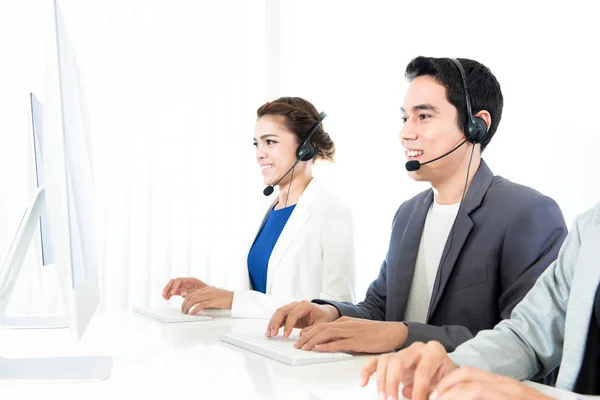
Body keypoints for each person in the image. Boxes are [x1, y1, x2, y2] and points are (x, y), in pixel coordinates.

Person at [266, 57, 567, 358]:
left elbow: (526, 343)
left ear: (477, 127)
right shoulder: (409, 214)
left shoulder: (527, 213)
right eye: (404, 118)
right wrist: (331, 312)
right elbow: (380, 308)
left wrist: (403, 334)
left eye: (423, 116)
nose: (405, 133)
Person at [361, 202, 600, 399]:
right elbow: (529, 336)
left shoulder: (529, 210)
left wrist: (406, 333)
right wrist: (453, 364)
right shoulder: (590, 226)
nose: (405, 140)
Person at [162, 97, 355, 318]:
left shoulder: (332, 212)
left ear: (305, 148)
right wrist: (212, 296)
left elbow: (338, 309)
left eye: (270, 142)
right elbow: (261, 296)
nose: (259, 153)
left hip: (298, 349)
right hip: (255, 345)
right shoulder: (267, 211)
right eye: (257, 143)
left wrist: (232, 300)